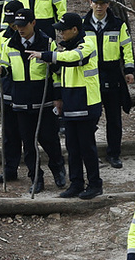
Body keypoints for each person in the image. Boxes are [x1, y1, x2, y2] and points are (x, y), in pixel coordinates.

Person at [30, 12, 102, 199]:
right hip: (71, 103)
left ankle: (95, 184)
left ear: (75, 30)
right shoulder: (66, 49)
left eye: (63, 30)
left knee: (87, 147)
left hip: (87, 103)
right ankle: (76, 183)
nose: (60, 34)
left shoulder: (87, 45)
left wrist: (46, 55)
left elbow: (73, 58)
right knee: (72, 148)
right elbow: (63, 69)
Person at [0, 8, 66, 193]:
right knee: (28, 143)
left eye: (24, 25)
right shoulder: (10, 44)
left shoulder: (47, 42)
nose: (20, 29)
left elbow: (57, 73)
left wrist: (58, 97)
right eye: (17, 26)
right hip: (21, 101)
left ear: (33, 23)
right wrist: (1, 72)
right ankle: (36, 177)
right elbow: (7, 67)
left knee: (49, 139)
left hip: (44, 100)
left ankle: (58, 169)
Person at [82, 0, 135, 169]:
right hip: (90, 76)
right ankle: (89, 153)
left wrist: (129, 70)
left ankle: (114, 154)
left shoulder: (118, 25)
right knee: (90, 118)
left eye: (103, 3)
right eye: (96, 3)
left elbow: (127, 49)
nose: (99, 6)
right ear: (90, 3)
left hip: (113, 75)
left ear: (108, 4)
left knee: (114, 119)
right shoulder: (82, 25)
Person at [0, 0, 25, 185]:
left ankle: (47, 171)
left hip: (29, 93)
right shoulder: (3, 36)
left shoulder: (35, 35)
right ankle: (10, 170)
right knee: (10, 134)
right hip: (8, 90)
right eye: (10, 21)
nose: (13, 25)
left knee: (35, 134)